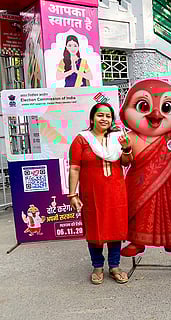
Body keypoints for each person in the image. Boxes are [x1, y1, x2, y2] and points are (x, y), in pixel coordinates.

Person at [119, 79, 171, 257]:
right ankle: (136, 241)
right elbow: (124, 162)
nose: (156, 115)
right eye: (143, 106)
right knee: (140, 211)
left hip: (170, 184)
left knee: (170, 211)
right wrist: (127, 149)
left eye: (166, 108)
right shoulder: (128, 137)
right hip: (139, 185)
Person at [68, 103, 133, 285]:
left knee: (115, 227)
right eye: (100, 115)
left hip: (116, 192)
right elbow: (74, 168)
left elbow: (126, 163)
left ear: (112, 120)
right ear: (92, 118)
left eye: (108, 116)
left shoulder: (118, 138)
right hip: (92, 193)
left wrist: (127, 148)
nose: (104, 119)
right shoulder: (82, 139)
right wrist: (72, 195)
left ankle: (114, 266)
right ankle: (97, 266)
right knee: (94, 227)